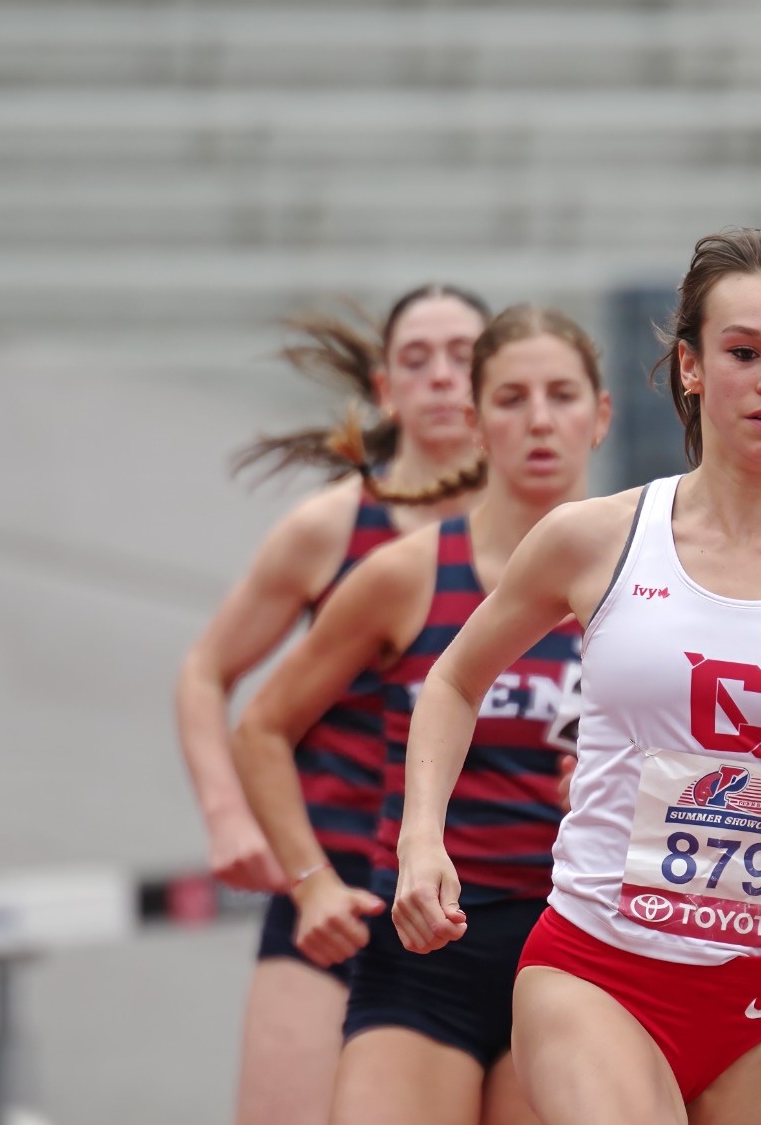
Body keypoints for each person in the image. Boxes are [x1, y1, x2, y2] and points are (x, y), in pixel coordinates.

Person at [393, 226, 761, 1125]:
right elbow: (454, 682)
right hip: (598, 969)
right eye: (744, 352)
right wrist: (422, 839)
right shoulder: (597, 537)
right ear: (692, 368)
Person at [231, 305, 612, 1125]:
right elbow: (262, 725)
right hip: (422, 942)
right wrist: (311, 882)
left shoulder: (647, 572)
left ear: (602, 414)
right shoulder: (406, 574)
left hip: (573, 948)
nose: (540, 420)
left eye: (562, 395)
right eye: (511, 398)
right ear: (475, 420)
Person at [173, 284, 488, 1125]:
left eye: (462, 356)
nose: (441, 377)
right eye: (416, 361)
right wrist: (227, 817)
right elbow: (207, 669)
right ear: (385, 391)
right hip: (338, 886)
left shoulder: (547, 538)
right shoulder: (334, 527)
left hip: (482, 896)